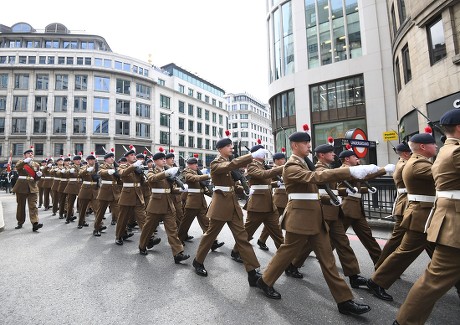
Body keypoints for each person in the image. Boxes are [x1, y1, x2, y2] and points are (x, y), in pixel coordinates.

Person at [256, 129, 386, 315]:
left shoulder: (305, 164)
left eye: (309, 142)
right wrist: (350, 171)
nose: (309, 145)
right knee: (286, 253)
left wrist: (330, 199)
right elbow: (315, 178)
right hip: (299, 219)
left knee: (328, 260)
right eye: (305, 143)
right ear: (295, 146)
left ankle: (344, 301)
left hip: (316, 218)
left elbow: (313, 193)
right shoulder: (291, 166)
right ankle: (265, 280)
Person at [395, 109, 460, 324]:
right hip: (451, 223)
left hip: (442, 217)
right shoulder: (453, 153)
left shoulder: (445, 151)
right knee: (432, 280)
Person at [367, 132, 438, 301]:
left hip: (426, 213)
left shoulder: (413, 162)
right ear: (423, 147)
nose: (436, 147)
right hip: (421, 215)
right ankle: (377, 280)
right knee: (404, 250)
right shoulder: (417, 164)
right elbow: (444, 174)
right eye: (433, 144)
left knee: (442, 254)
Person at [287, 143, 370, 287]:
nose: (334, 154)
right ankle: (293, 265)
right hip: (324, 212)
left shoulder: (326, 168)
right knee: (309, 244)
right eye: (330, 152)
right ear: (322, 155)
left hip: (335, 211)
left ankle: (353, 276)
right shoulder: (319, 169)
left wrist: (345, 191)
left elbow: (335, 188)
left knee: (343, 243)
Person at [192, 132, 264, 287]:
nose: (231, 148)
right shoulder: (216, 163)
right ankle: (198, 261)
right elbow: (229, 167)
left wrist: (241, 189)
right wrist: (250, 156)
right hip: (220, 204)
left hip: (232, 204)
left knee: (242, 238)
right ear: (220, 149)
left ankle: (252, 272)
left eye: (231, 145)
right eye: (228, 146)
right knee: (210, 235)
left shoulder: (230, 162)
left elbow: (231, 182)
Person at [230, 143, 284, 263]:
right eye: (262, 152)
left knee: (278, 234)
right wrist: (280, 168)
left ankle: (286, 259)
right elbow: (261, 175)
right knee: (248, 232)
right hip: (257, 205)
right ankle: (236, 251)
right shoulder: (252, 165)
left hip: (270, 204)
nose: (264, 154)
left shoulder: (263, 165)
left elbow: (265, 182)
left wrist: (276, 183)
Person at [138, 151, 189, 264]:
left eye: (164, 159)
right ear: (155, 161)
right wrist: (166, 173)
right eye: (161, 159)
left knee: (172, 230)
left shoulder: (168, 172)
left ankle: (178, 253)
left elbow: (170, 190)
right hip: (156, 205)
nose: (164, 160)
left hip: (168, 204)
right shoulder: (152, 171)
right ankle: (142, 246)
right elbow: (151, 179)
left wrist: (180, 189)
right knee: (148, 228)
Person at [337, 149, 386, 265]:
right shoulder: (344, 170)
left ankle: (382, 265)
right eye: (355, 157)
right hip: (347, 210)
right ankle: (322, 256)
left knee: (368, 238)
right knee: (335, 238)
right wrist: (383, 170)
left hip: (357, 210)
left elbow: (356, 187)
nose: (357, 159)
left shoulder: (355, 169)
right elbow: (361, 177)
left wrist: (366, 189)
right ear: (347, 159)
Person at [374, 142, 411, 270]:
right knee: (396, 239)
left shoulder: (402, 163)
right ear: (406, 153)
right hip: (405, 204)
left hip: (407, 204)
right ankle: (381, 267)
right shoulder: (406, 164)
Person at [177, 156, 224, 251]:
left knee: (207, 223)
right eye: (195, 164)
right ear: (190, 165)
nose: (197, 166)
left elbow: (203, 187)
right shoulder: (186, 172)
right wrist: (208, 175)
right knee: (185, 224)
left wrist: (214, 194)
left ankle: (213, 242)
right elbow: (192, 178)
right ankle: (178, 241)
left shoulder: (197, 172)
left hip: (201, 202)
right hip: (192, 202)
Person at [256, 151, 287, 251]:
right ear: (276, 160)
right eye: (282, 159)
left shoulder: (283, 169)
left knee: (273, 223)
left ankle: (262, 239)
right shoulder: (273, 169)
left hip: (287, 198)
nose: (284, 161)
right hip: (279, 198)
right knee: (273, 223)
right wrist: (277, 182)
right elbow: (268, 180)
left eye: (284, 159)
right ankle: (263, 240)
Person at [115, 147, 146, 245]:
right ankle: (119, 235)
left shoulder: (138, 166)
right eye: (131, 155)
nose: (134, 156)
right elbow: (122, 174)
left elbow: (143, 181)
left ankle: (148, 239)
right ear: (127, 157)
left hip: (138, 194)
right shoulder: (122, 166)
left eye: (134, 155)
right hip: (127, 195)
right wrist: (133, 166)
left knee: (143, 218)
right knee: (123, 218)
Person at [12, 147, 43, 232]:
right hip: (21, 187)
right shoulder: (21, 162)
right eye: (28, 153)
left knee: (33, 206)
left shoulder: (36, 165)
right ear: (24, 155)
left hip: (32, 187)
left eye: (32, 154)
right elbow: (18, 167)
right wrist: (25, 161)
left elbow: (36, 178)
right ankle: (20, 221)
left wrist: (39, 176)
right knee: (21, 205)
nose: (30, 155)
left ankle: (35, 223)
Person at [93, 150, 120, 236]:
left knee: (118, 212)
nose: (112, 158)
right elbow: (100, 172)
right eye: (110, 157)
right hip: (105, 192)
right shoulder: (103, 166)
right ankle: (97, 228)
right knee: (101, 212)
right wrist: (109, 171)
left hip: (114, 192)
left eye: (113, 157)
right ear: (105, 160)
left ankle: (123, 232)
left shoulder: (116, 166)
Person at [77, 153, 100, 229]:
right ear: (87, 160)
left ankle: (99, 226)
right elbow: (80, 174)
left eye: (93, 159)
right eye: (90, 160)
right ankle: (81, 222)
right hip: (85, 189)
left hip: (95, 189)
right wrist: (87, 170)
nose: (92, 161)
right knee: (83, 208)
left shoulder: (97, 167)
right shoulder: (83, 167)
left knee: (97, 208)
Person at [64, 154, 82, 224]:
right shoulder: (70, 167)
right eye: (77, 160)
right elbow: (65, 172)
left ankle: (82, 220)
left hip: (80, 185)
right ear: (74, 161)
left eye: (79, 160)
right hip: (72, 186)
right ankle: (68, 217)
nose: (78, 161)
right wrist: (69, 171)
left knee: (81, 204)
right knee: (70, 203)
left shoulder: (82, 167)